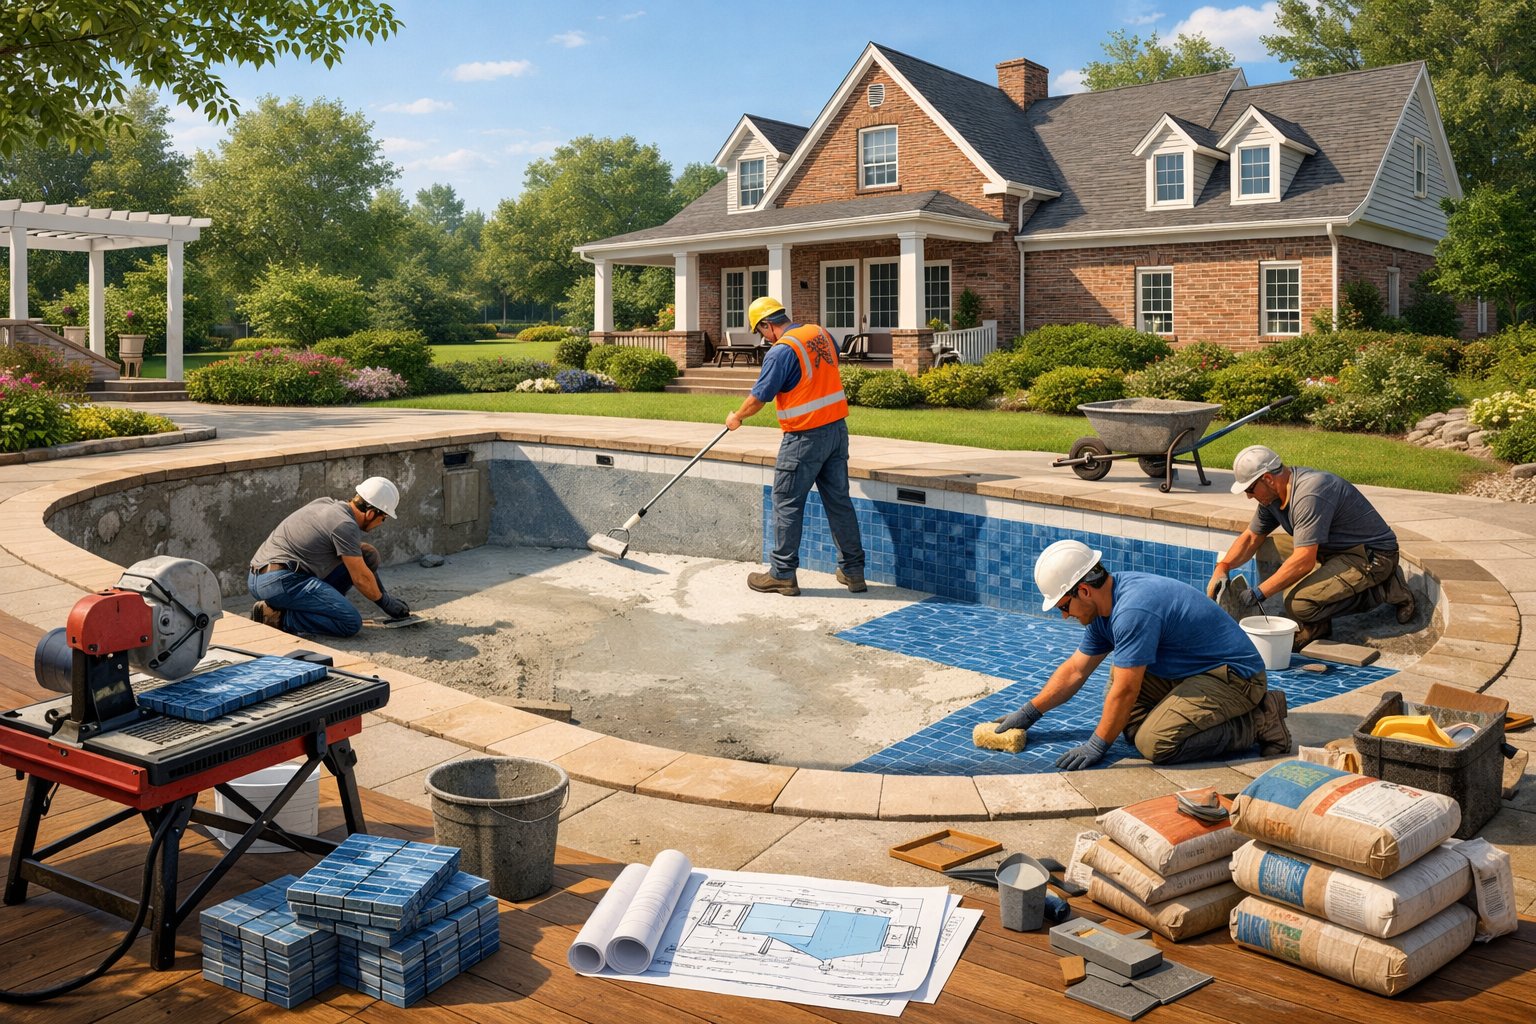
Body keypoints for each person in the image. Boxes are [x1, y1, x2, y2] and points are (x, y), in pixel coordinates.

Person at [995, 539, 1291, 768]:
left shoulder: (1132, 610)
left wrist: (1097, 745)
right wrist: (1029, 713)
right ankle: (1181, 718)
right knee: (1128, 718)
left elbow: (1126, 690)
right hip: (1195, 672)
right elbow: (1076, 670)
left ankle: (1261, 721)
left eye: (1063, 606)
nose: (1063, 616)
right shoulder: (1106, 606)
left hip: (1237, 679)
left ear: (1083, 591)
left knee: (1155, 743)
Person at [725, 296, 866, 596]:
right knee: (839, 502)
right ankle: (853, 572)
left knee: (787, 503)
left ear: (767, 325)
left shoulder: (781, 352)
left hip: (804, 438)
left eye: (760, 331)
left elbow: (759, 397)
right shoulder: (820, 333)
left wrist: (736, 417)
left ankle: (782, 574)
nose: (763, 338)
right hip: (837, 431)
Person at [1208, 445, 1415, 649]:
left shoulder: (1309, 494)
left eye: (1250, 489)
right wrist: (1223, 566)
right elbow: (1252, 538)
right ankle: (1320, 616)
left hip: (1372, 555)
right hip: (1331, 549)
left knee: (1299, 603)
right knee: (1269, 548)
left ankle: (1385, 589)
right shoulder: (1271, 498)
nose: (1249, 496)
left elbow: (1304, 561)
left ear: (1268, 479)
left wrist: (1259, 593)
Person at [248, 476, 410, 637]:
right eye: (384, 517)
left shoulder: (325, 503)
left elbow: (361, 562)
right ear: (370, 514)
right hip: (281, 581)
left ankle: (305, 606)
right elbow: (361, 578)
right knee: (350, 622)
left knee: (367, 554)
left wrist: (383, 596)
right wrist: (386, 603)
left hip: (259, 576)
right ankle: (277, 617)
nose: (382, 523)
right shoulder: (345, 525)